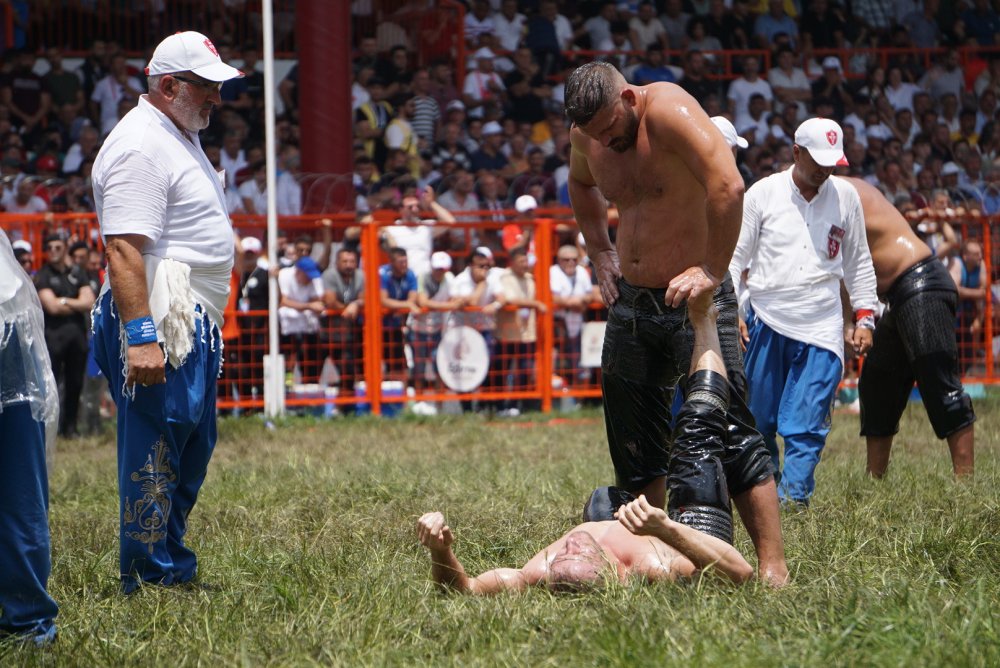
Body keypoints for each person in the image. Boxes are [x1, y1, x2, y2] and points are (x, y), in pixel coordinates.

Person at [563, 61, 787, 585]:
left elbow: (728, 185)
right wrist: (599, 250)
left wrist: (711, 269)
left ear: (628, 99)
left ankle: (773, 567)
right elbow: (579, 182)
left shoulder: (670, 110)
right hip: (631, 301)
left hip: (697, 301)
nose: (605, 142)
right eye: (594, 135)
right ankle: (654, 558)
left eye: (610, 129)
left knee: (730, 429)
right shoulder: (587, 135)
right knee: (634, 441)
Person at [417, 290, 755, 592]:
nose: (570, 545)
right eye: (578, 554)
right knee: (699, 422)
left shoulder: (539, 571)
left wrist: (440, 551)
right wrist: (666, 528)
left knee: (621, 466)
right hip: (686, 536)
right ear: (613, 572)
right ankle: (705, 320)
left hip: (615, 514)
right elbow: (740, 573)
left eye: (563, 554)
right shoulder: (655, 565)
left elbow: (463, 589)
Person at [90, 31, 243, 593]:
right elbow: (123, 249)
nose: (216, 98)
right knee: (156, 449)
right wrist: (141, 337)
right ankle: (148, 578)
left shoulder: (177, 134)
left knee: (190, 446)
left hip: (189, 317)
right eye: (206, 87)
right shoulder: (140, 144)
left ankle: (170, 562)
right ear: (170, 85)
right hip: (161, 319)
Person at [730, 119, 879, 506]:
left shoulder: (845, 197)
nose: (825, 170)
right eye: (817, 160)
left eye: (832, 163)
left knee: (807, 421)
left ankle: (794, 501)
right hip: (767, 316)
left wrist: (865, 318)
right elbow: (734, 258)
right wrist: (731, 310)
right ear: (796, 152)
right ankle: (763, 494)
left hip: (822, 323)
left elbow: (858, 262)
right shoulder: (763, 194)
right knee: (758, 420)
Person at [843, 178, 975, 478]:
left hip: (922, 282)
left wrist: (849, 321)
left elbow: (840, 265)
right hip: (899, 295)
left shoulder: (841, 194)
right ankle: (875, 479)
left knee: (939, 383)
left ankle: (966, 482)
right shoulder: (825, 196)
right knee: (876, 382)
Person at [0, 231, 60, 645]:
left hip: (6, 323)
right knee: (18, 481)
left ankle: (29, 618)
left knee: (18, 481)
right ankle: (28, 618)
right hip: (8, 320)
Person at [33, 233, 97, 438]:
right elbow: (51, 306)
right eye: (49, 247)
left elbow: (89, 301)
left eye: (57, 247)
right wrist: (74, 302)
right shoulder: (43, 275)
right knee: (51, 386)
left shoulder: (77, 273)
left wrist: (63, 301)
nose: (53, 251)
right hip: (53, 339)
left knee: (75, 384)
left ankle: (70, 429)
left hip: (77, 338)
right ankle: (51, 429)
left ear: (64, 249)